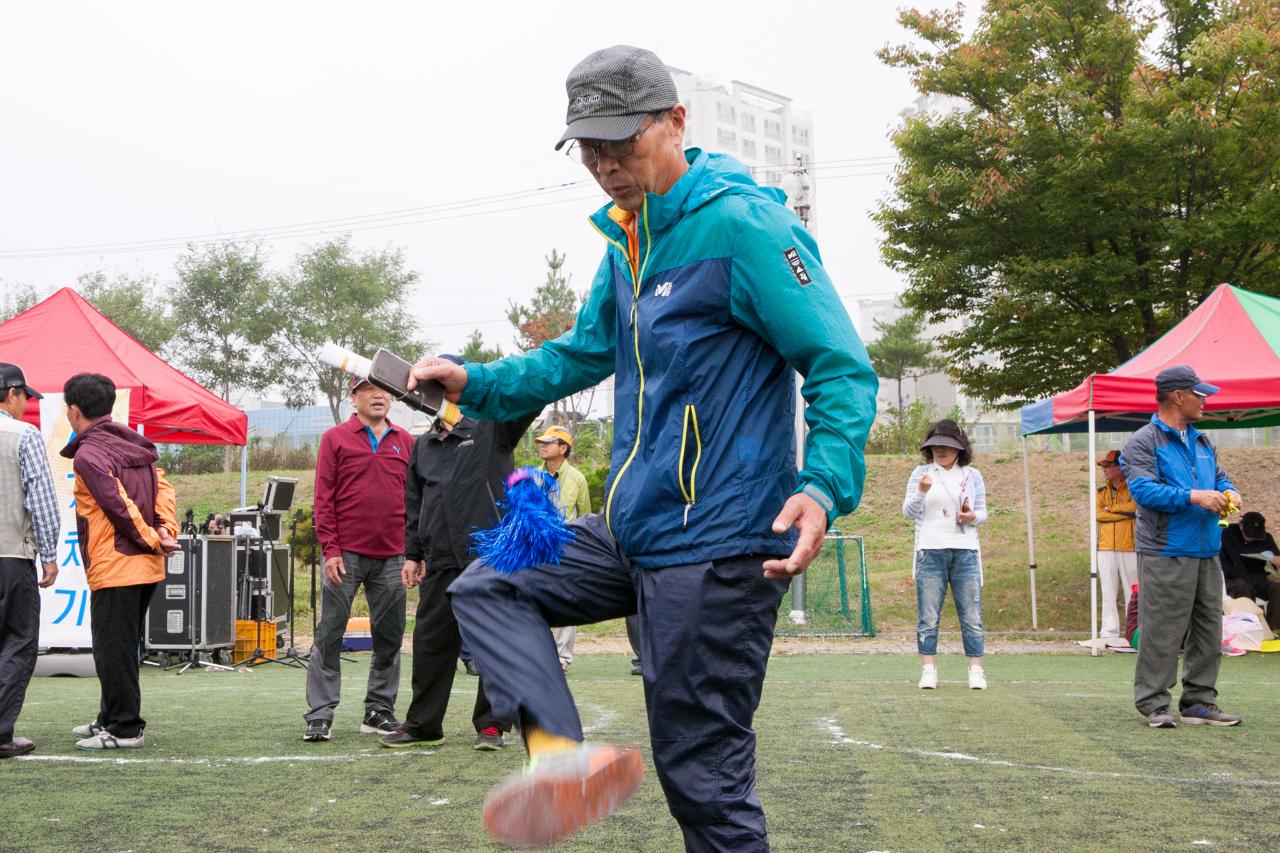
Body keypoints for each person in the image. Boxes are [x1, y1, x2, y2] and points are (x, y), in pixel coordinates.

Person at [411, 44, 877, 851]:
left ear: (675, 123)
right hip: (636, 530)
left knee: (702, 777)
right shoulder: (627, 240)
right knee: (489, 587)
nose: (606, 165)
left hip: (724, 541)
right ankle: (560, 757)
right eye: (590, 148)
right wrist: (472, 381)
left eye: (622, 141)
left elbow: (839, 365)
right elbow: (575, 354)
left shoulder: (745, 223)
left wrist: (824, 483)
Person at [381, 356, 536, 751]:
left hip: (489, 556)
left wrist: (493, 380)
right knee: (431, 641)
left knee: (492, 639)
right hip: (439, 558)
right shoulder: (424, 445)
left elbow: (530, 398)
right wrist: (412, 553)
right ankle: (423, 724)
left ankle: (492, 725)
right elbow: (414, 502)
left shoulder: (493, 427)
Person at [60, 373, 179, 750]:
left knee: (113, 649)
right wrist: (165, 531)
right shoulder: (136, 444)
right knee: (119, 646)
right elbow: (164, 490)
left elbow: (117, 506)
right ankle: (109, 717)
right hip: (144, 566)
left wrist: (152, 540)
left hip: (118, 565)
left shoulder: (90, 453)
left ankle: (126, 727)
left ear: (73, 410)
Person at [1120, 364, 1242, 729]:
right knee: (1162, 629)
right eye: (1199, 394)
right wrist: (1193, 497)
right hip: (1166, 549)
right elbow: (1142, 491)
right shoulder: (1143, 441)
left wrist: (1229, 489)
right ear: (1178, 396)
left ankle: (1199, 701)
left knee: (1209, 629)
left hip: (1207, 549)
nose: (1205, 401)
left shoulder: (1203, 440)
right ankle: (1154, 704)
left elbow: (1220, 476)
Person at [304, 376, 410, 742]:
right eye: (369, 389)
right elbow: (323, 498)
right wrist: (330, 549)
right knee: (330, 633)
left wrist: (415, 552)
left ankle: (378, 710)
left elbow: (415, 501)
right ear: (354, 398)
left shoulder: (405, 441)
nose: (379, 395)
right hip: (344, 554)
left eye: (385, 390)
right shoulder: (335, 438)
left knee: (390, 636)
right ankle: (320, 714)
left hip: (394, 554)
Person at [901, 420, 988, 690]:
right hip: (929, 550)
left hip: (966, 552)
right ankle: (928, 669)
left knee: (971, 615)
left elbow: (983, 512)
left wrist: (972, 516)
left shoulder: (972, 475)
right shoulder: (921, 473)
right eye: (936, 446)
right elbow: (908, 512)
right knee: (928, 616)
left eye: (948, 447)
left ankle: (975, 670)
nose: (941, 451)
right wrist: (921, 491)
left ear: (960, 449)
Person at [0, 364, 59, 759]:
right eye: (24, 397)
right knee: (18, 641)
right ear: (12, 393)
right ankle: (1, 732)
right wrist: (50, 555)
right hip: (10, 556)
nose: (26, 405)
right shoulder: (23, 435)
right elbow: (40, 499)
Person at [536, 425, 592, 673]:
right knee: (535, 599)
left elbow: (585, 516)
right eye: (542, 442)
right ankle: (538, 652)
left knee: (566, 599)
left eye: (549, 442)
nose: (543, 445)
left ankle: (562, 657)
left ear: (563, 448)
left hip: (566, 548)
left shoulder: (578, 479)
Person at [1096, 450, 1139, 642]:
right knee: (1108, 590)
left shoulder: (1133, 488)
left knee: (1133, 590)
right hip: (1105, 547)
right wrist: (1122, 514)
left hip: (1129, 545)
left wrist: (1111, 510)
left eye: (1108, 466)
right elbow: (1097, 514)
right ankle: (1109, 631)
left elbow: (1135, 508)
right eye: (1104, 466)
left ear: (1120, 468)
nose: (1105, 470)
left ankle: (1134, 630)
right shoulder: (1101, 492)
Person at [1220, 511, 1280, 634]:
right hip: (1232, 578)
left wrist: (1276, 562)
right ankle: (1250, 629)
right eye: (1249, 535)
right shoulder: (1226, 534)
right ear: (1241, 525)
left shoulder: (1266, 538)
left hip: (1258, 578)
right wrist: (1243, 576)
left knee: (1277, 587)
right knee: (1244, 587)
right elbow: (1221, 562)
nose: (1252, 538)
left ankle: (1273, 628)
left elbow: (1275, 560)